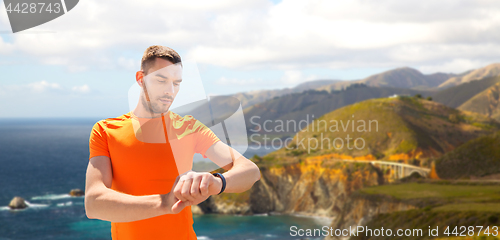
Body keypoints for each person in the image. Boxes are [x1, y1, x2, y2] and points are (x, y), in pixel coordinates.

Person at [84, 45, 261, 239]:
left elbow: (250, 171)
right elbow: (93, 204)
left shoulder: (189, 127)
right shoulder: (105, 130)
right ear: (140, 79)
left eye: (176, 83)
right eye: (161, 80)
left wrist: (216, 182)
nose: (170, 90)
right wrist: (164, 204)